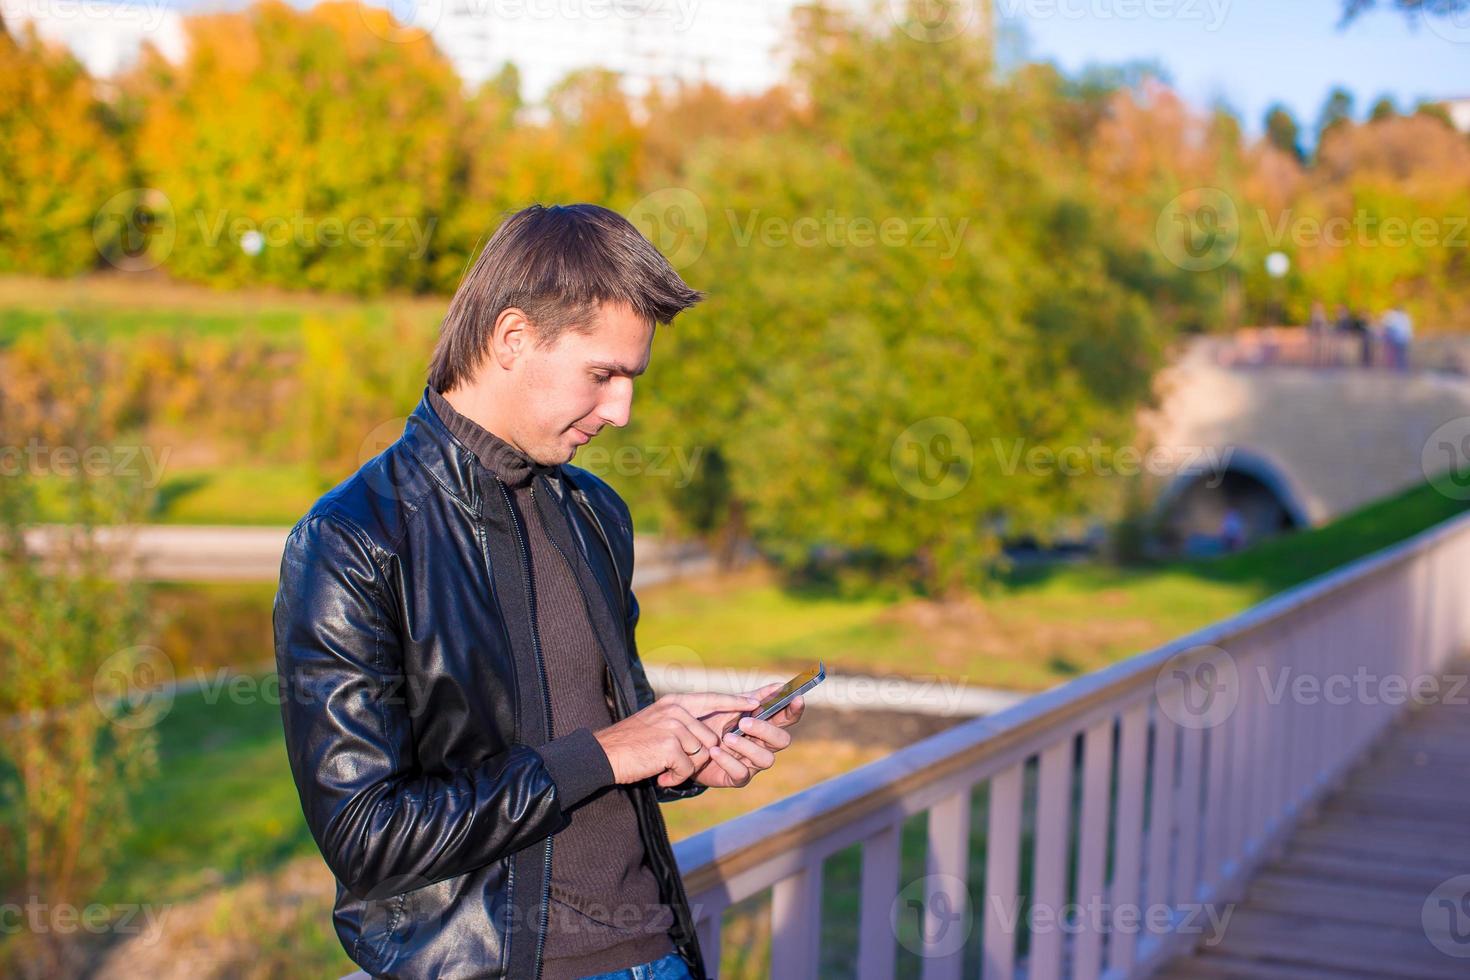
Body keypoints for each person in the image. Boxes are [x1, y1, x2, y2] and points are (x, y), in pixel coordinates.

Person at [273, 204, 805, 980]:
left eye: (632, 378)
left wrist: (686, 755)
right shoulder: (352, 541)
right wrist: (607, 752)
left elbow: (597, 741)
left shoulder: (595, 512)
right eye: (603, 375)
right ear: (512, 338)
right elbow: (369, 836)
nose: (622, 411)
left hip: (661, 956)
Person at [1382, 304, 1413, 371]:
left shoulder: (1399, 317)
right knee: (1399, 353)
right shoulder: (1402, 317)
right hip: (1400, 338)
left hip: (1400, 338)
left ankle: (1400, 367)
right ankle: (1399, 367)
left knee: (1399, 353)